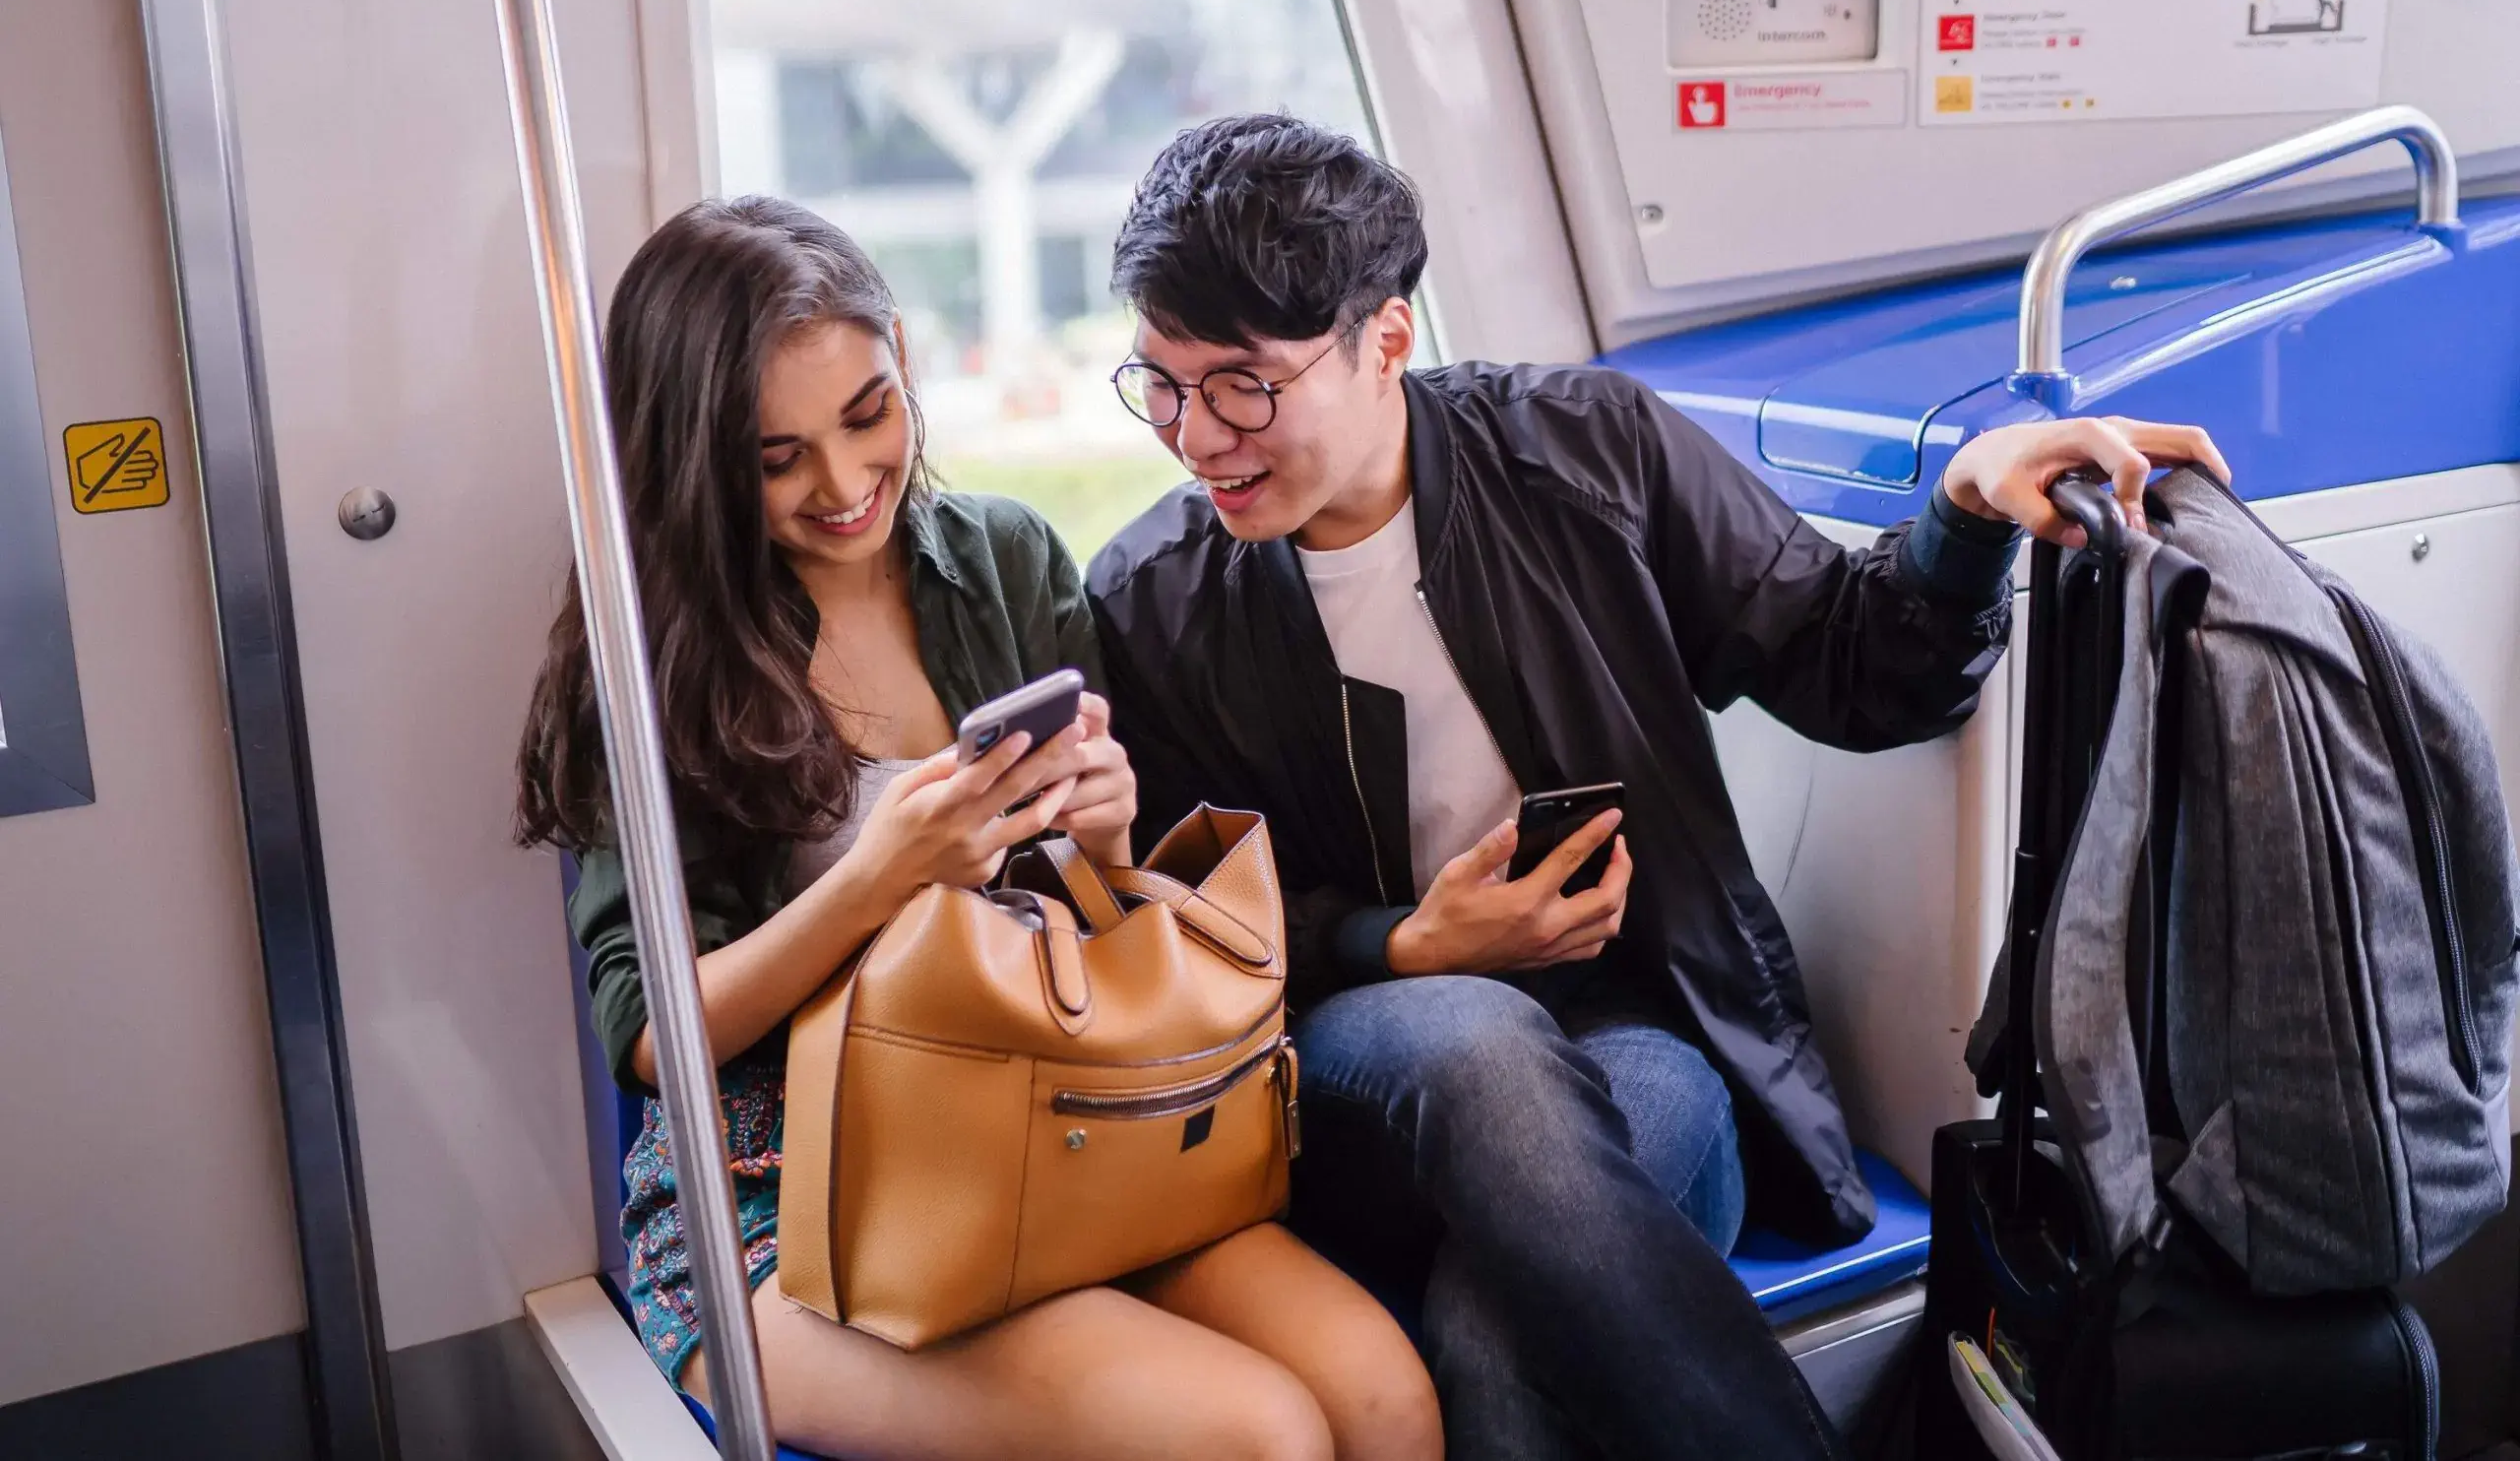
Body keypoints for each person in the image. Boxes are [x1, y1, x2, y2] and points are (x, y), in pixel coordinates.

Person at [1085, 115, 2229, 1461]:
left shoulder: (1586, 453)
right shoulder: (1153, 595)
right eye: (1158, 384)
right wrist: (1404, 945)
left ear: (1386, 339)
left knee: (1491, 1336)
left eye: (1242, 385)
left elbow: (1857, 668)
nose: (1194, 435)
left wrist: (1964, 516)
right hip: (1341, 1071)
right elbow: (1186, 932)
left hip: (1637, 1031)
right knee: (1469, 1035)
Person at [516, 196, 1440, 1461]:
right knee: (1257, 1434)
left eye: (867, 414)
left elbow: (1095, 920)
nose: (844, 485)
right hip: (793, 1192)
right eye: (774, 458)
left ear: (900, 354)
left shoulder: (1003, 557)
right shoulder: (650, 657)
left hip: (1058, 1121)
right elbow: (647, 1034)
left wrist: (1109, 840)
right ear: (692, 453)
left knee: (1385, 1402)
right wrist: (878, 879)